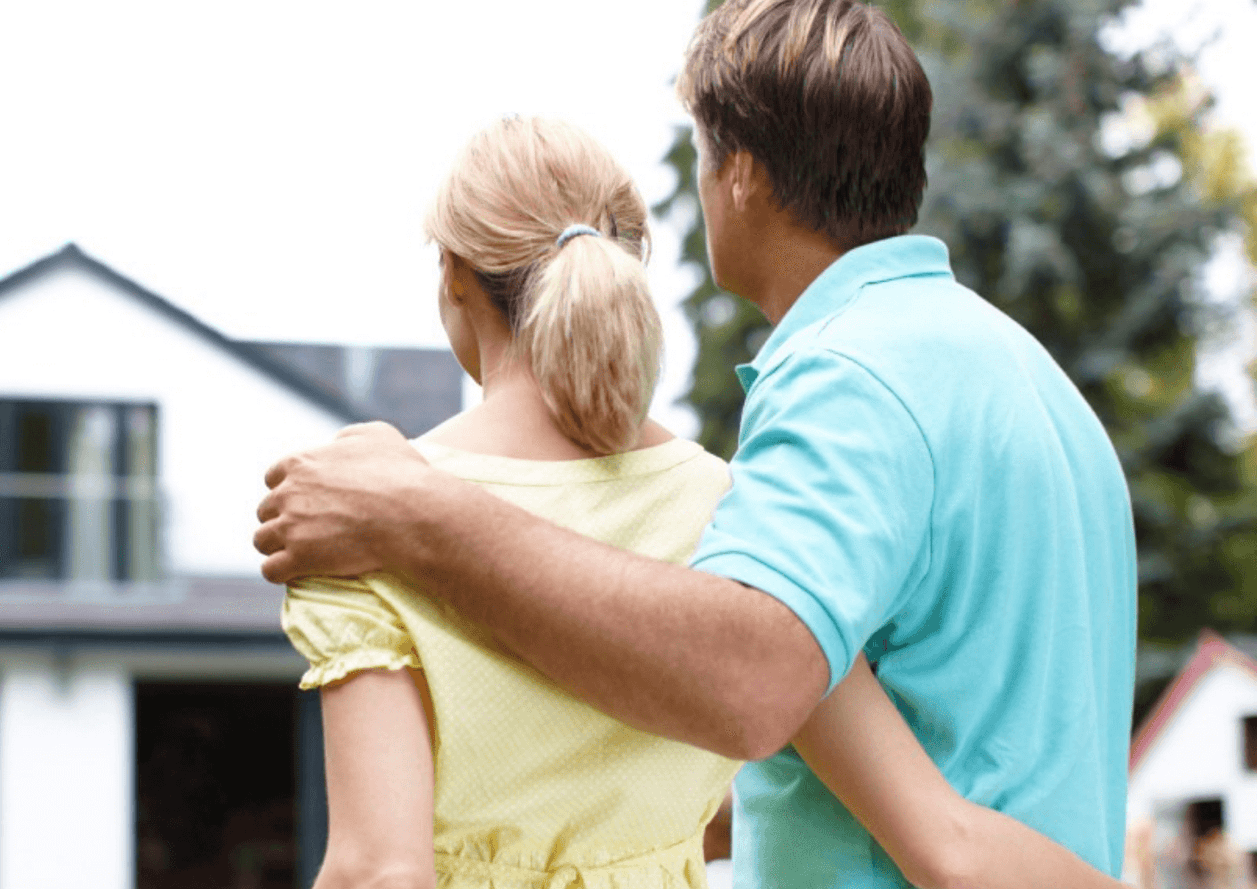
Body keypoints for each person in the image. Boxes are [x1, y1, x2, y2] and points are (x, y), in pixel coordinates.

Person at [260, 1, 1137, 886]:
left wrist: (424, 512)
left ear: (740, 173)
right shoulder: (1029, 381)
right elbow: (901, 760)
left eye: (703, 151)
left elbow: (753, 686)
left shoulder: (844, 380)